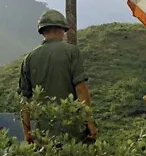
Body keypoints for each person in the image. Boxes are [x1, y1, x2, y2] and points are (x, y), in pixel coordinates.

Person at [18, 9, 97, 144]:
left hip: (43, 134)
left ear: (43, 32)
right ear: (61, 30)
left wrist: (27, 133)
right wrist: (89, 122)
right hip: (72, 130)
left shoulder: (29, 58)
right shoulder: (72, 52)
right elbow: (80, 89)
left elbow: (25, 100)